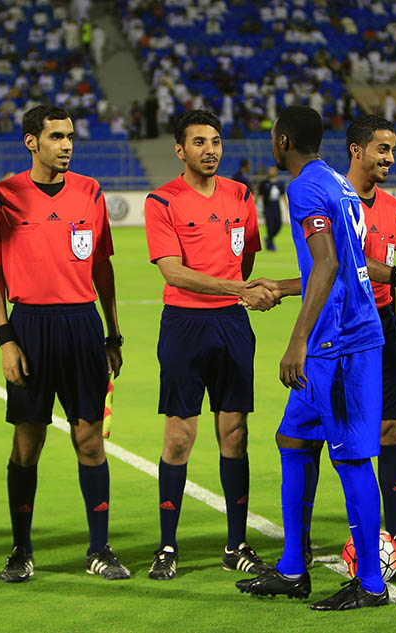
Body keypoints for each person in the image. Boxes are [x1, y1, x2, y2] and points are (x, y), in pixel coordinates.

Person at [235, 106, 396, 610]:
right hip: (335, 337)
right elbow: (342, 266)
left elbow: (330, 263)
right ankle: (293, 568)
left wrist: (297, 342)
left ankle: (371, 584)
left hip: (342, 344)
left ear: (282, 140)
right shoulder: (335, 182)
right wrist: (286, 288)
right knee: (292, 438)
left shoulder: (306, 188)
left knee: (353, 458)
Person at [0, 105, 128, 583]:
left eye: (70, 137)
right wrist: (6, 339)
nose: (66, 145)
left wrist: (112, 333)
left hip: (83, 325)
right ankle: (21, 550)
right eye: (57, 136)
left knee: (90, 441)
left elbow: (102, 267)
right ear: (31, 142)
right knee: (28, 441)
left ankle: (99, 548)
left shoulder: (90, 191)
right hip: (31, 328)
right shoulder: (2, 197)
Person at [143, 109, 275, 581]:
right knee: (179, 436)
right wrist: (238, 289)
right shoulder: (162, 201)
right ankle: (166, 544)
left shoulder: (241, 194)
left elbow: (248, 251)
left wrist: (237, 291)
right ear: (180, 150)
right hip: (184, 326)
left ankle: (236, 544)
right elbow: (173, 271)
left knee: (234, 433)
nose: (210, 150)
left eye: (216, 141)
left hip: (232, 327)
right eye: (199, 142)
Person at [343, 114, 396, 576]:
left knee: (391, 431)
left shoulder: (392, 207)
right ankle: (308, 535)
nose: (390, 158)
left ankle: (393, 538)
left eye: (392, 150)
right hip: (345, 326)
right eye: (381, 149)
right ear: (357, 150)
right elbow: (360, 264)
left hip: (385, 322)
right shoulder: (335, 198)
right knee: (331, 436)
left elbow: (385, 263)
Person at [258, 165, 285, 251]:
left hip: (276, 207)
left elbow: (283, 195)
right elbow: (259, 195)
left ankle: (268, 239)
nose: (271, 172)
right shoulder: (264, 183)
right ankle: (271, 245)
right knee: (270, 226)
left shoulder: (280, 183)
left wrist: (288, 206)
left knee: (278, 225)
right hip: (268, 207)